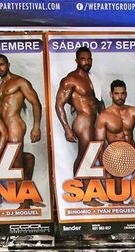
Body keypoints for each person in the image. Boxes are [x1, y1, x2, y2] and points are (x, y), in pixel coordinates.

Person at [0, 53, 43, 209]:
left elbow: (36, 103)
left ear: (8, 64)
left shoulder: (20, 81)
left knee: (14, 161)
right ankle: (29, 195)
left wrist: (36, 126)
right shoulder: (0, 85)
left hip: (15, 124)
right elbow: (1, 106)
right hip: (4, 126)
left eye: (1, 64)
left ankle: (25, 201)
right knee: (23, 158)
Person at [94, 80, 135, 205]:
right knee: (117, 199)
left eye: (122, 93)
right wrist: (106, 164)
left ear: (126, 94)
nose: (120, 97)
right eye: (117, 93)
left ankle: (130, 199)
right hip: (114, 156)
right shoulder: (104, 116)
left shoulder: (133, 111)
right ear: (111, 94)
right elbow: (99, 142)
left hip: (132, 154)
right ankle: (117, 202)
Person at [54, 46, 100, 176]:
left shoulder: (93, 79)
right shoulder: (71, 80)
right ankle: (78, 189)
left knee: (93, 155)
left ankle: (89, 189)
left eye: (89, 59)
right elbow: (58, 104)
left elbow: (97, 101)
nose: (86, 62)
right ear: (77, 60)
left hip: (95, 121)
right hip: (83, 121)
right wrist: (67, 129)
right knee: (84, 155)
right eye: (83, 59)